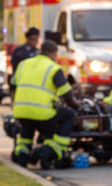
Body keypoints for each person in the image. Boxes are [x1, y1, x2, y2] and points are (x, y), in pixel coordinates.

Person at [11, 40, 81, 169]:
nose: (56, 57)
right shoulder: (53, 68)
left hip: (21, 111)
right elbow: (67, 94)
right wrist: (77, 105)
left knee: (27, 131)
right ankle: (53, 149)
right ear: (52, 53)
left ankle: (22, 153)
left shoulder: (23, 64)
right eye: (56, 54)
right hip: (43, 113)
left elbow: (13, 85)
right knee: (68, 115)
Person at [9, 27, 40, 97]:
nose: (35, 42)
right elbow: (14, 67)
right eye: (33, 39)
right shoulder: (19, 51)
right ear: (28, 38)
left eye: (37, 39)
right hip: (21, 80)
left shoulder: (38, 52)